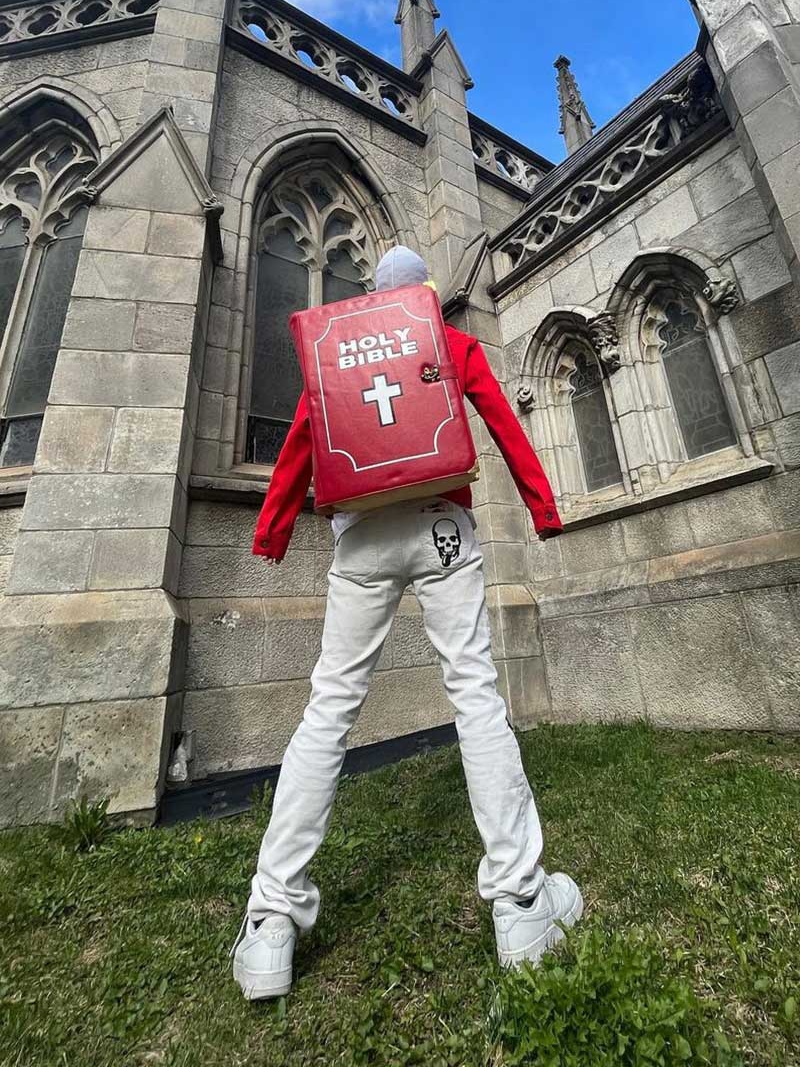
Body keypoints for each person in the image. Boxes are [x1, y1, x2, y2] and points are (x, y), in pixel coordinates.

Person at [231, 247, 583, 1000]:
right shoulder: (447, 340)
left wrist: (273, 529)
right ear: (424, 292)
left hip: (362, 536)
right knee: (475, 693)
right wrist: (542, 506)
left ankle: (270, 920)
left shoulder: (340, 347)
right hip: (442, 523)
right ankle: (521, 902)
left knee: (329, 707)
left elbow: (302, 438)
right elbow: (501, 422)